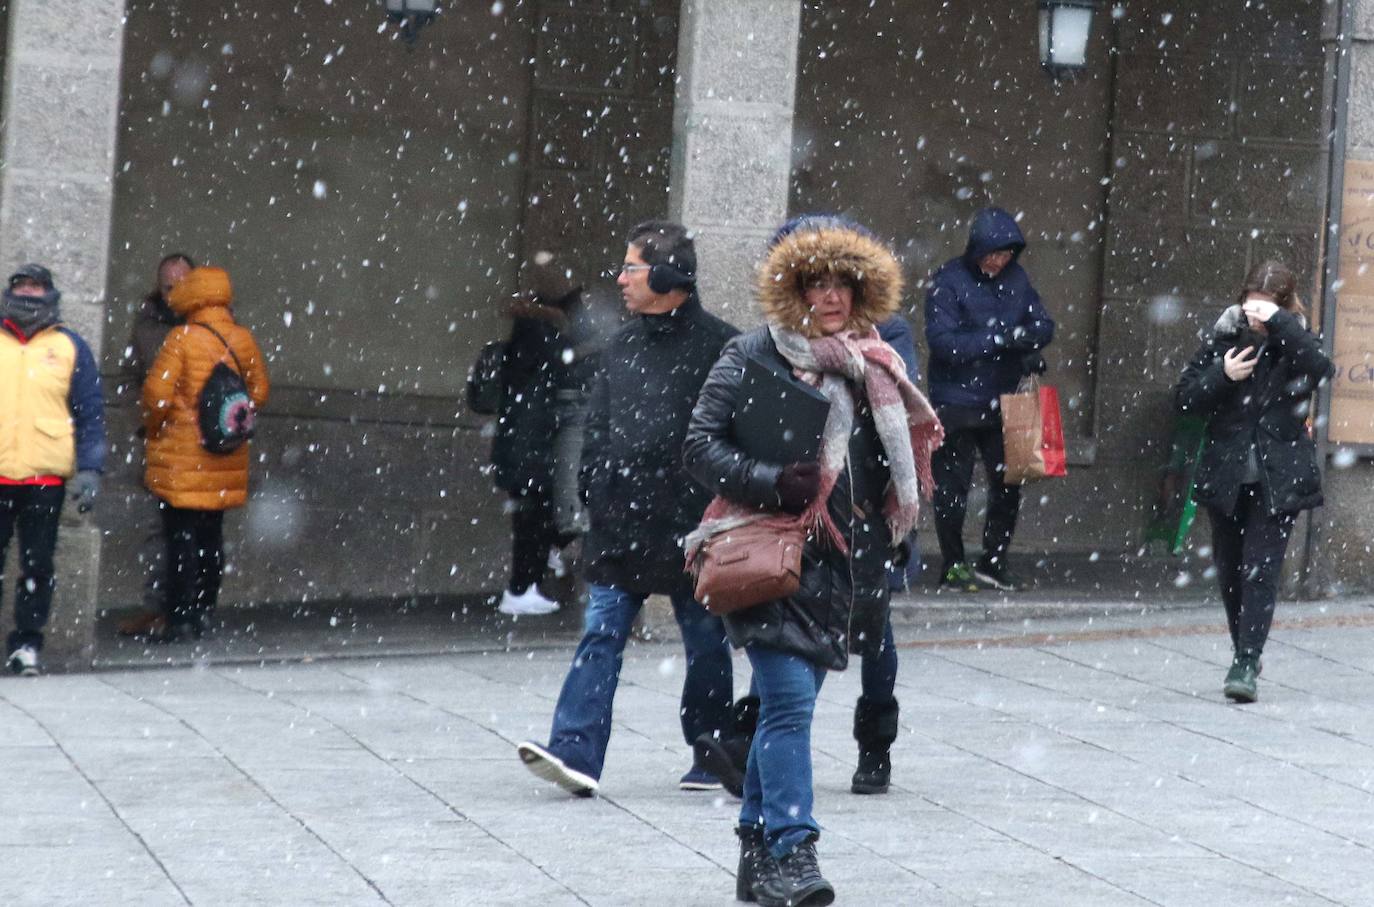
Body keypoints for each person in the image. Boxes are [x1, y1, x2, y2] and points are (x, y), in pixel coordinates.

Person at [684, 215, 942, 906]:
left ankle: (753, 846)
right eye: (816, 283)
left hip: (846, 564)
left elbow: (895, 466)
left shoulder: (877, 365)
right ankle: (794, 850)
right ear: (793, 290)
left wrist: (893, 516)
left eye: (844, 284)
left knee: (778, 711)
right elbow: (700, 445)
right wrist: (773, 481)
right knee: (790, 706)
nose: (831, 297)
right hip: (769, 552)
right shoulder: (753, 353)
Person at [516, 220, 738, 796]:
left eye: (631, 267)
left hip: (692, 525)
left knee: (706, 641)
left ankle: (711, 750)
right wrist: (593, 487)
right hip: (620, 522)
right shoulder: (620, 345)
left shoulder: (723, 345)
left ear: (667, 276)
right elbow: (598, 427)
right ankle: (575, 753)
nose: (619, 278)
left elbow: (734, 434)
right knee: (601, 635)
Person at [1174, 261, 1332, 703]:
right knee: (1229, 571)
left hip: (1276, 476)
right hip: (1227, 473)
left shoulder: (1295, 342)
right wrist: (1223, 376)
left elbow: (1321, 369)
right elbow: (1185, 400)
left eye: (1266, 308)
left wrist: (1281, 325)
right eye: (1251, 306)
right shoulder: (1224, 337)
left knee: (1260, 570)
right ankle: (1244, 647)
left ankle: (1245, 661)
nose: (1255, 316)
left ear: (1283, 306)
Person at [925, 206, 1054, 593]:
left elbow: (1043, 324)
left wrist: (1024, 340)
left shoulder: (1016, 278)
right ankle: (953, 564)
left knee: (1010, 482)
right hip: (957, 401)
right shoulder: (948, 281)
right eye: (993, 254)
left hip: (1005, 397)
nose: (999, 261)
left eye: (1006, 254)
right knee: (953, 486)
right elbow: (943, 344)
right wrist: (1000, 339)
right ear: (976, 250)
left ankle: (994, 561)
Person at [142, 266, 269, 642]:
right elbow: (259, 391)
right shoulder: (242, 339)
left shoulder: (182, 339)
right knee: (211, 537)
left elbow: (156, 394)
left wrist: (161, 425)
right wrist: (222, 417)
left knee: (179, 537)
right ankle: (204, 611)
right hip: (224, 453)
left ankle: (179, 617)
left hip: (183, 455)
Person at [0, 264, 106, 675]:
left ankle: (27, 644)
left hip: (45, 479)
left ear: (49, 294)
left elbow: (90, 412)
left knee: (37, 565)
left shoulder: (69, 346)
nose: (29, 294)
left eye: (36, 287)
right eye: (22, 286)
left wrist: (91, 469)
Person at [490, 253, 583, 616]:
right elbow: (560, 368)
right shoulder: (540, 334)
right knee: (532, 516)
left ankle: (527, 581)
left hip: (523, 441)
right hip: (530, 444)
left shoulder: (530, 333)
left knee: (533, 514)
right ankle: (521, 586)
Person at [118, 252, 194, 638]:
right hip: (158, 440)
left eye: (182, 284)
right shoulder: (147, 323)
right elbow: (130, 377)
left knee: (191, 532)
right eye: (168, 286)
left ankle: (185, 611)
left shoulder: (209, 325)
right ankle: (156, 607)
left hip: (196, 446)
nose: (174, 293)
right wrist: (145, 424)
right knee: (156, 529)